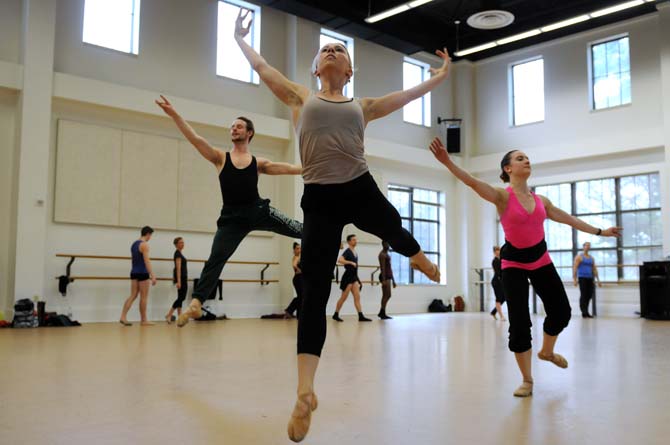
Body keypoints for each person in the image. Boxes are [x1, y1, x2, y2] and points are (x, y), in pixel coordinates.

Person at [234, 9, 448, 441]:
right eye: (325, 50)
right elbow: (262, 68)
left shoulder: (362, 106)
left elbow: (406, 96)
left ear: (348, 71)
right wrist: (240, 39)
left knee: (391, 222)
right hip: (319, 198)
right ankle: (304, 390)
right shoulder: (300, 97)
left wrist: (440, 76)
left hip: (358, 186)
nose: (331, 52)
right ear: (316, 68)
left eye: (339, 50)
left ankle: (418, 255)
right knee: (313, 291)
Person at [428, 137, 621, 398]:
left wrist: (600, 231)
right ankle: (527, 380)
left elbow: (569, 219)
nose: (526, 160)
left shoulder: (542, 201)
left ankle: (547, 352)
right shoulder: (501, 196)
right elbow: (471, 182)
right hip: (514, 264)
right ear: (508, 169)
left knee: (562, 312)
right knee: (519, 323)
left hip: (541, 260)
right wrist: (448, 162)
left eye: (527, 157)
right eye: (520, 158)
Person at [155, 96, 304, 327]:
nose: (234, 128)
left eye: (239, 126)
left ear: (249, 133)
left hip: (257, 211)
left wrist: (308, 169)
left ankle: (328, 232)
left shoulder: (257, 162)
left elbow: (287, 168)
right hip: (231, 219)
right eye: (232, 126)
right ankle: (196, 303)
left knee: (298, 229)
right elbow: (195, 139)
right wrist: (174, 114)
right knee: (216, 259)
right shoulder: (220, 158)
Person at [120, 226, 157, 326]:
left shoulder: (134, 244)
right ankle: (144, 320)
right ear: (148, 234)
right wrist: (152, 275)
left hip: (134, 272)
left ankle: (123, 316)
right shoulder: (144, 245)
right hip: (143, 273)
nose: (150, 238)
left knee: (133, 295)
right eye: (150, 235)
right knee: (144, 297)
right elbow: (147, 261)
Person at [333, 234, 370, 322]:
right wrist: (350, 262)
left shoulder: (355, 252)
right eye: (353, 240)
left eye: (356, 240)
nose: (355, 241)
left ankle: (361, 316)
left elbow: (355, 268)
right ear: (349, 241)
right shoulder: (347, 251)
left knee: (357, 297)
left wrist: (359, 280)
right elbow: (340, 260)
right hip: (348, 277)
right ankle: (336, 314)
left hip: (354, 277)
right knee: (343, 297)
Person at [573, 242, 601, 318]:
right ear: (583, 247)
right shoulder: (579, 257)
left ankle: (586, 311)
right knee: (584, 294)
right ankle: (584, 312)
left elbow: (594, 269)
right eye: (586, 245)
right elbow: (575, 268)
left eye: (589, 246)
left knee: (589, 295)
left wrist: (598, 280)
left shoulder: (591, 258)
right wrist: (574, 279)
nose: (588, 247)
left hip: (590, 278)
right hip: (582, 278)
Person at [165, 237, 188, 324]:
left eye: (183, 242)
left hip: (183, 277)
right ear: (176, 244)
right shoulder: (177, 254)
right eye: (181, 242)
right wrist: (179, 281)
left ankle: (180, 316)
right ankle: (169, 314)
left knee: (180, 297)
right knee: (182, 297)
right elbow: (178, 268)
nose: (183, 244)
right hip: (181, 278)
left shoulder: (179, 253)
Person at [378, 240, 396, 320]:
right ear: (383, 244)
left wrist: (394, 280)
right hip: (385, 276)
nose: (388, 245)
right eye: (386, 244)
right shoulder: (382, 255)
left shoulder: (387, 254)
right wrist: (384, 280)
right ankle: (382, 312)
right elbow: (383, 268)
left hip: (388, 276)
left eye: (388, 243)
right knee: (387, 295)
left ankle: (382, 312)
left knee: (386, 295)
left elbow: (390, 268)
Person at [284, 243, 304, 318]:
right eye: (297, 248)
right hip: (298, 279)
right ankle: (289, 310)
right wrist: (299, 270)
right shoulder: (296, 257)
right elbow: (294, 265)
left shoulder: (299, 257)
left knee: (301, 297)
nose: (299, 250)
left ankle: (298, 314)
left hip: (300, 279)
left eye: (300, 248)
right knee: (302, 296)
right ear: (294, 250)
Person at [490, 246, 506, 321]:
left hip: (501, 282)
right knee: (498, 298)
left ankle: (493, 312)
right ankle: (501, 316)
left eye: (498, 250)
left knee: (504, 298)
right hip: (496, 282)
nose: (498, 251)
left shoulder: (502, 259)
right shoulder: (495, 261)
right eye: (496, 250)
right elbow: (498, 272)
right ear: (494, 252)